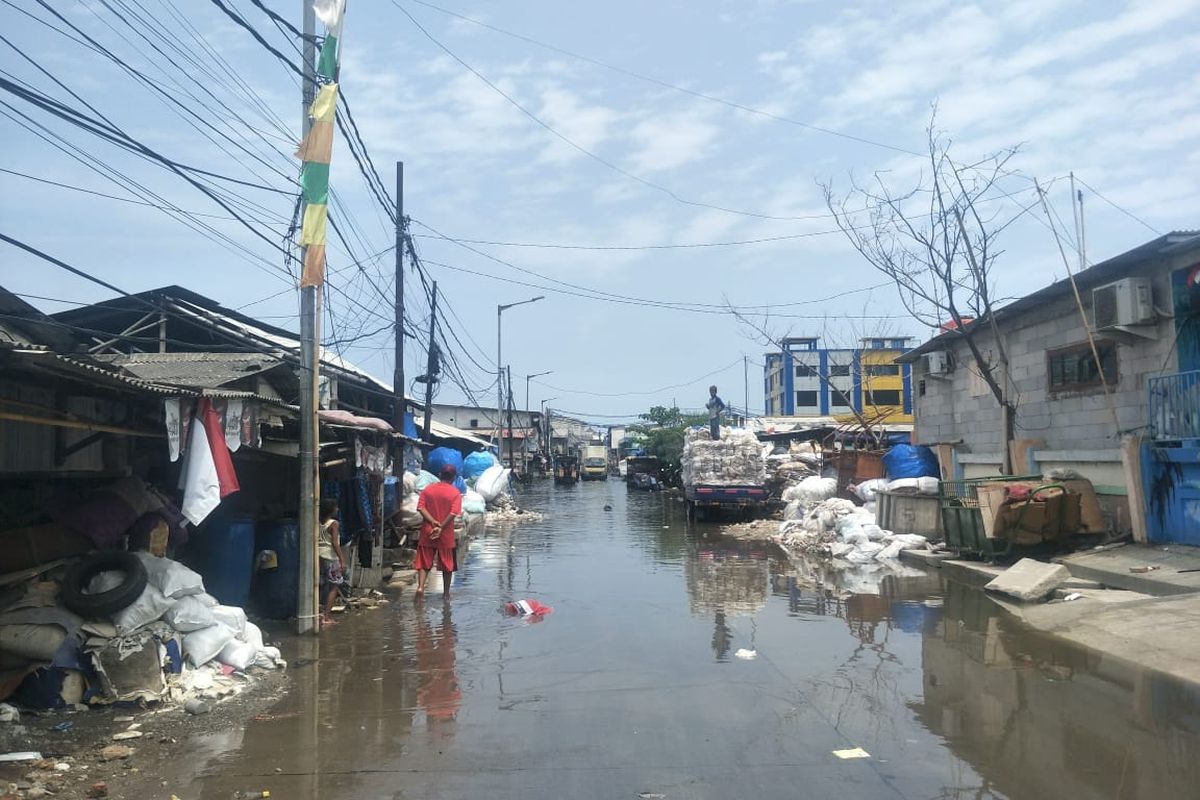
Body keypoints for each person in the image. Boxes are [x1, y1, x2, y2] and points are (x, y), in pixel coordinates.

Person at [415, 464, 463, 598]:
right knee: (448, 564)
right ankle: (446, 593)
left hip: (428, 531)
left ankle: (420, 588)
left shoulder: (428, 489)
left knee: (424, 561)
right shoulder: (455, 493)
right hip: (446, 534)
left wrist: (432, 522)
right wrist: (441, 526)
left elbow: (420, 508)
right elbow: (454, 513)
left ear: (440, 475)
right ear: (453, 478)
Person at [318, 499, 346, 626]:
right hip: (330, 557)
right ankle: (327, 617)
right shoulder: (334, 523)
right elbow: (335, 543)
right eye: (336, 507)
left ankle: (318, 614)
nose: (338, 509)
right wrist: (342, 559)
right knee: (334, 586)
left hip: (320, 556)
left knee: (321, 585)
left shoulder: (318, 522)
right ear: (331, 510)